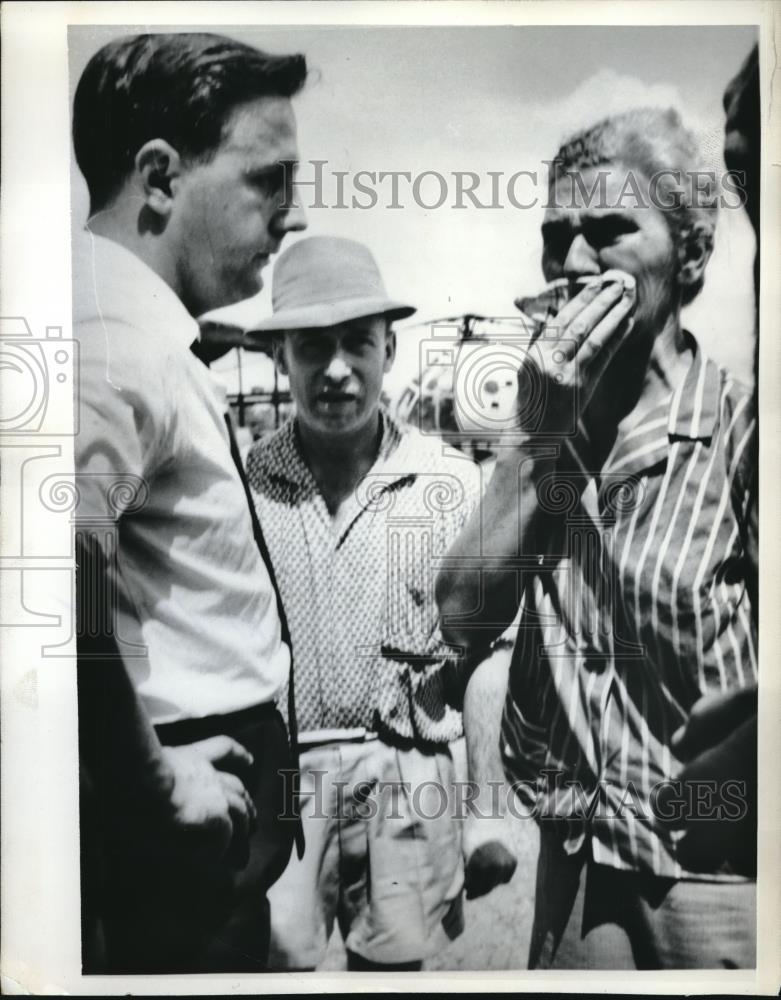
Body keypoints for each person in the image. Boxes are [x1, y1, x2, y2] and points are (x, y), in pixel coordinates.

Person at [436, 107, 757, 969]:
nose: (574, 262)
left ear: (687, 256)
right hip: (576, 872)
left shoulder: (740, 429)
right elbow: (462, 617)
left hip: (716, 883)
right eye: (556, 237)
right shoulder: (549, 430)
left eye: (611, 230)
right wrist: (538, 437)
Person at [72, 31, 307, 972]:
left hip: (209, 806)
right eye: (267, 179)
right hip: (183, 821)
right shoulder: (114, 336)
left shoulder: (136, 328)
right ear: (160, 177)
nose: (288, 216)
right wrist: (157, 785)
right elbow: (46, 563)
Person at [245, 236, 515, 972]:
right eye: (311, 348)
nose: (335, 370)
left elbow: (488, 657)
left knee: (390, 976)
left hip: (409, 772)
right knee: (272, 964)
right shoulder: (244, 485)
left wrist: (485, 811)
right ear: (281, 359)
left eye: (356, 344)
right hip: (282, 779)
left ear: (388, 350)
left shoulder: (449, 483)